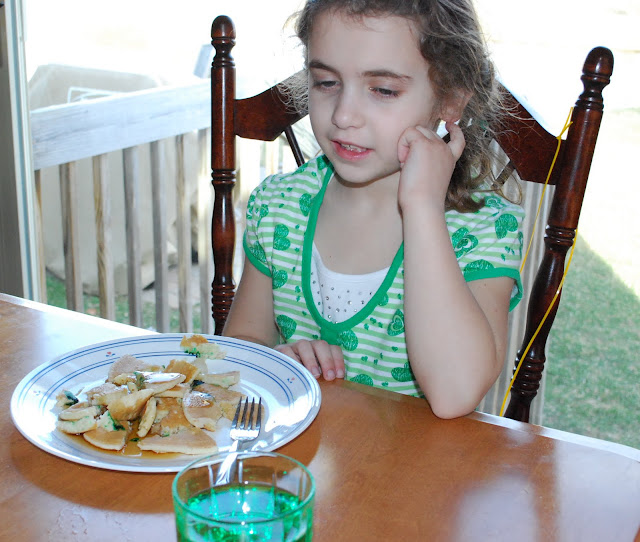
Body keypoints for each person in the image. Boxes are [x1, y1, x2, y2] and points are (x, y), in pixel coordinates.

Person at [223, 0, 524, 419]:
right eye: (326, 82)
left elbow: (455, 394)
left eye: (383, 90)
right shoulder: (278, 208)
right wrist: (277, 359)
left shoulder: (484, 228)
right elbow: (242, 344)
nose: (343, 115)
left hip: (416, 460)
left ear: (451, 101)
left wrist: (422, 207)